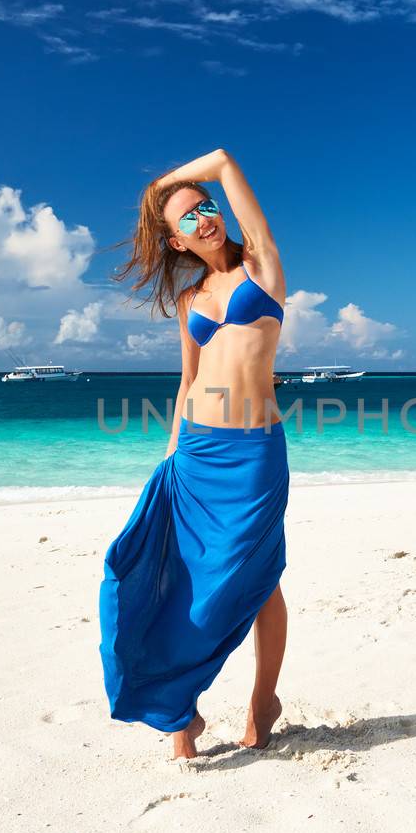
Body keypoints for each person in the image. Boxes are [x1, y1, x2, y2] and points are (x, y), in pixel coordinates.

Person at [98, 148, 290, 760]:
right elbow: (188, 379)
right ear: (177, 243)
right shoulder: (189, 302)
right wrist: (172, 451)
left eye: (204, 207)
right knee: (176, 578)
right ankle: (181, 712)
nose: (204, 218)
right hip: (196, 454)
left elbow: (228, 162)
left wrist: (166, 184)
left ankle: (264, 700)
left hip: (255, 455)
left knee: (255, 578)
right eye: (187, 218)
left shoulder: (260, 265)